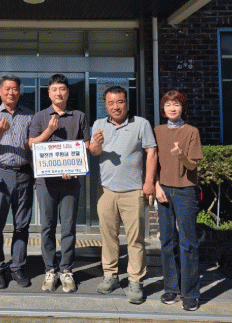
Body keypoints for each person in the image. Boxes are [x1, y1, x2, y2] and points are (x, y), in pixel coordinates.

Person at [88, 85, 157, 304]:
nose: (115, 107)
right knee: (108, 237)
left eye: (119, 102)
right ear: (105, 105)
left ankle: (136, 281)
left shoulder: (141, 124)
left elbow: (151, 152)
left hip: (133, 191)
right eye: (110, 103)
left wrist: (149, 182)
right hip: (106, 190)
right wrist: (96, 144)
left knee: (135, 239)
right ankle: (110, 276)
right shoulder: (99, 124)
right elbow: (94, 152)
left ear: (126, 103)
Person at [28, 74, 90, 293]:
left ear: (68, 92)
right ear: (49, 93)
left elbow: (86, 145)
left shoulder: (79, 116)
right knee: (47, 226)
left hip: (70, 181)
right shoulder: (40, 116)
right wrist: (49, 131)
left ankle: (66, 270)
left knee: (68, 226)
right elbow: (32, 144)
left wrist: (75, 167)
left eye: (62, 89)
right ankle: (50, 269)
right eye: (54, 89)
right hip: (45, 182)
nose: (58, 93)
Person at [0, 75, 34, 289]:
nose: (11, 92)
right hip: (0, 173)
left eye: (14, 88)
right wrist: (0, 132)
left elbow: (34, 144)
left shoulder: (29, 115)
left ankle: (17, 267)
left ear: (19, 91)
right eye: (7, 88)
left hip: (24, 173)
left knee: (22, 224)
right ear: (0, 91)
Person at [154, 90, 204, 312]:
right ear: (163, 109)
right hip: (163, 190)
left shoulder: (191, 131)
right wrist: (156, 186)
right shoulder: (157, 131)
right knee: (167, 241)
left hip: (186, 191)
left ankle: (190, 293)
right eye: (168, 105)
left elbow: (193, 165)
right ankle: (171, 288)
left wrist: (181, 155)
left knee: (188, 243)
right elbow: (153, 163)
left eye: (176, 104)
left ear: (183, 108)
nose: (172, 108)